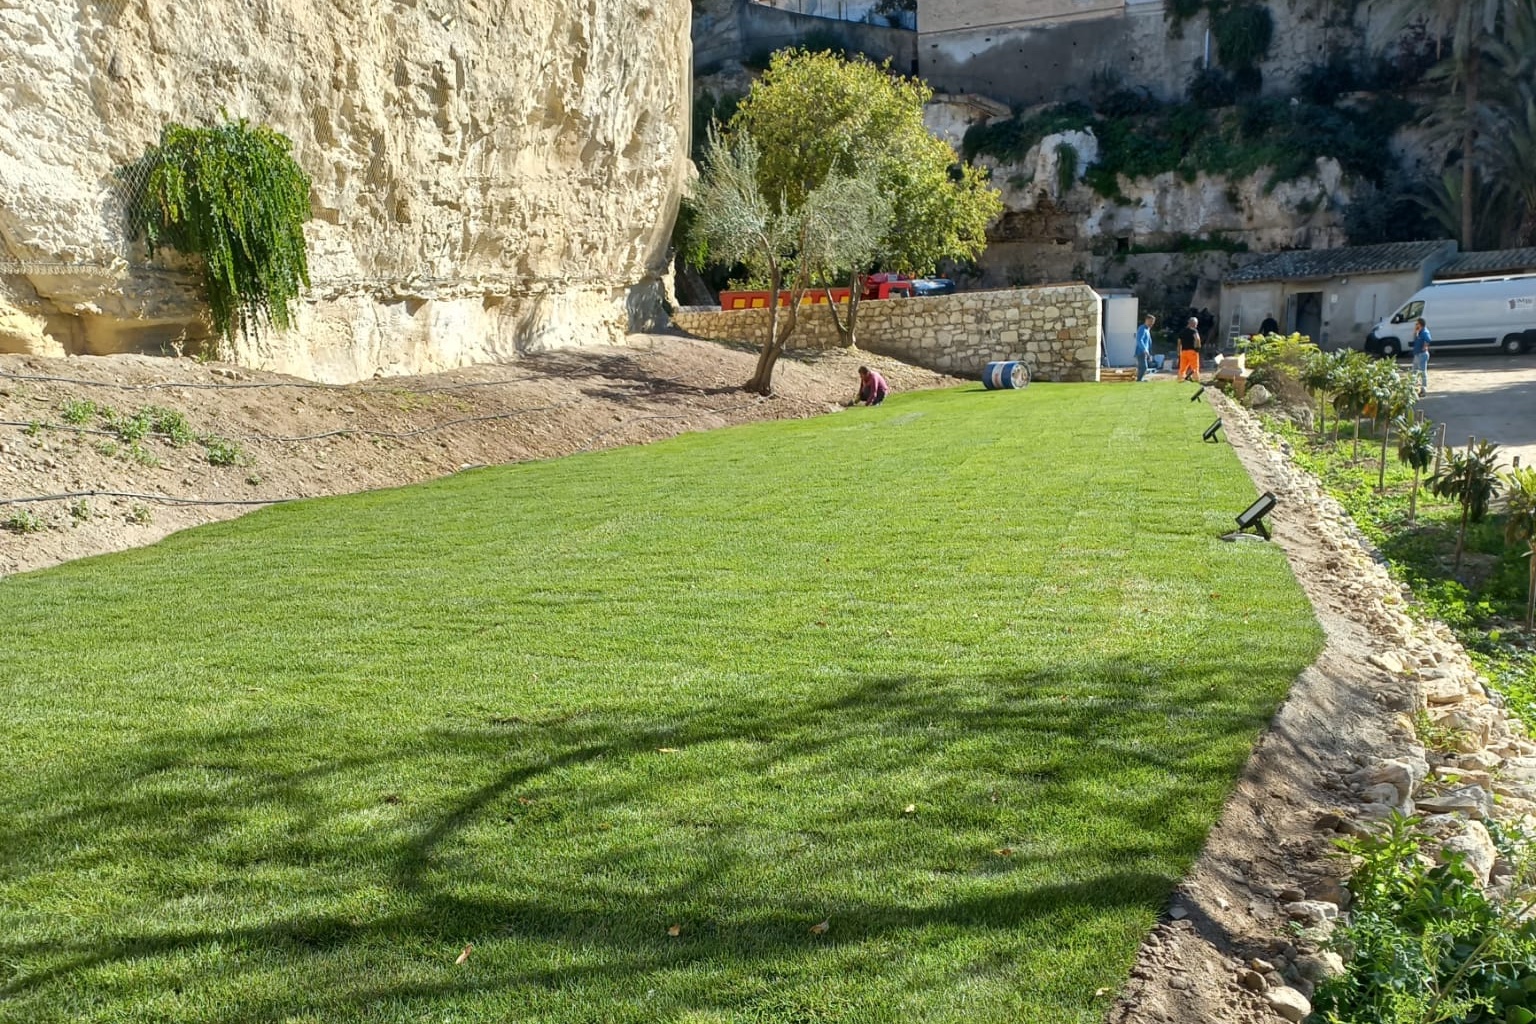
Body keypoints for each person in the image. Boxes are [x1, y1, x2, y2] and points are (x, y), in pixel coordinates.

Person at [1177, 317, 1202, 382]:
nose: (1196, 326)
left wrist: (1179, 353)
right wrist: (1198, 348)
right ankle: (1196, 379)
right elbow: (1197, 339)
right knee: (1195, 367)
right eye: (1196, 324)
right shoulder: (1194, 331)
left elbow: (1179, 343)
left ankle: (1180, 379)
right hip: (1192, 351)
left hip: (1183, 352)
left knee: (1182, 368)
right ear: (1193, 323)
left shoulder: (1182, 332)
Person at [1412, 318, 1431, 395]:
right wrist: (1415, 332)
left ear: (1420, 324)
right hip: (1417, 354)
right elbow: (1415, 340)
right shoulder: (1419, 332)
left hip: (1422, 355)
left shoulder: (1424, 332)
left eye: (1417, 324)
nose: (1416, 325)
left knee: (1423, 372)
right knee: (1414, 371)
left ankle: (1423, 389)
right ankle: (1413, 387)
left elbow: (1428, 339)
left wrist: (1425, 346)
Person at [1134, 314, 1154, 381]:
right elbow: (1139, 340)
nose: (1152, 323)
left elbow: (1149, 342)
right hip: (1140, 352)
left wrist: (1150, 353)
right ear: (1146, 320)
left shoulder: (1147, 330)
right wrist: (1144, 349)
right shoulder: (1142, 328)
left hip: (1145, 352)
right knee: (1144, 367)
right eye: (1150, 321)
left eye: (1153, 322)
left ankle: (1140, 379)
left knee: (1143, 367)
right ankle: (1139, 380)